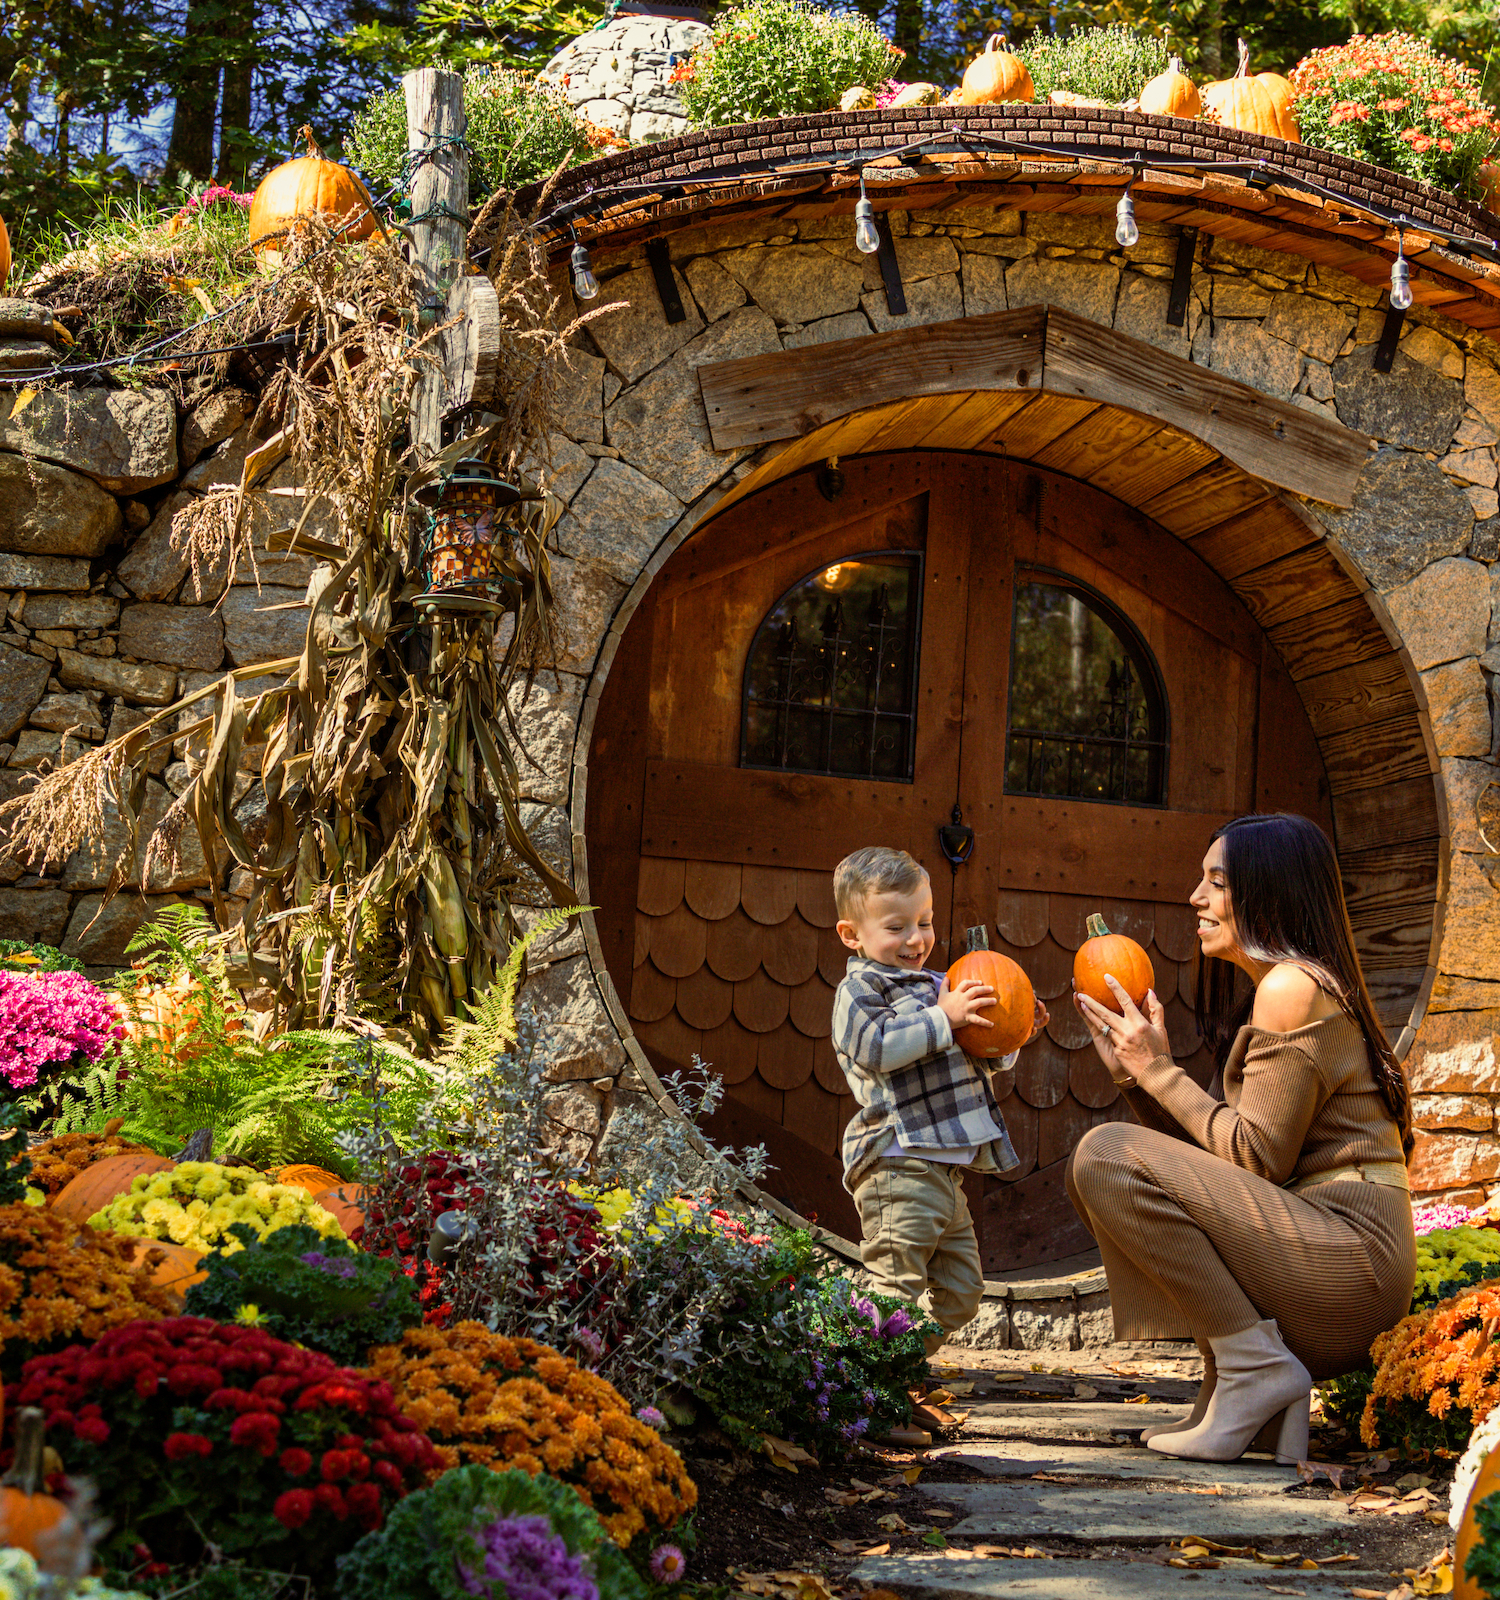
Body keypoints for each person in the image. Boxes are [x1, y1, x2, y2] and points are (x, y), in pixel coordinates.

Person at [1067, 812, 1417, 1465]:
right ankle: (1243, 1381)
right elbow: (1221, 1172)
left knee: (1106, 1153)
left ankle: (1253, 1371)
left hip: (1350, 1267)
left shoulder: (1292, 987)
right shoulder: (1289, 987)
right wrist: (1137, 1079)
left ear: (1269, 893)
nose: (1195, 898)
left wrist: (1160, 1071)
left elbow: (1254, 1159)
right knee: (1105, 1165)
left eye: (1216, 882)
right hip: (1328, 1256)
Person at [831, 846, 1048, 1396]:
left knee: (962, 1292)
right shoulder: (860, 992)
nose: (916, 938)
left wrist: (1015, 1032)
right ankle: (864, 1391)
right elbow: (879, 1049)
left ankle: (880, 1370)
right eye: (896, 927)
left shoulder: (939, 986)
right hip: (896, 1162)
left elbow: (981, 1060)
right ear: (851, 934)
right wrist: (944, 1018)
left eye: (924, 922)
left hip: (945, 1174)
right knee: (895, 1286)